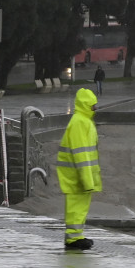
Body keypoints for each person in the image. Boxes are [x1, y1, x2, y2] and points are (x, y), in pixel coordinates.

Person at [57, 88, 102, 250]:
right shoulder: (80, 122)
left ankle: (76, 235)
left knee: (79, 207)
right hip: (77, 175)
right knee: (76, 206)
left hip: (80, 173)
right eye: (93, 105)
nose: (95, 108)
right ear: (85, 105)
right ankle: (73, 238)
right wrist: (86, 178)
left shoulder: (83, 121)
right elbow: (81, 154)